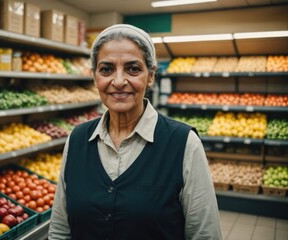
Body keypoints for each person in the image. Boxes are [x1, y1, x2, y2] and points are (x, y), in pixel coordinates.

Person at [48, 24, 222, 240]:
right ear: (95, 77)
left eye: (133, 69)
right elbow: (60, 229)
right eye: (106, 69)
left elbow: (205, 235)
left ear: (151, 76)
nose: (119, 81)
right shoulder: (77, 139)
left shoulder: (184, 143)